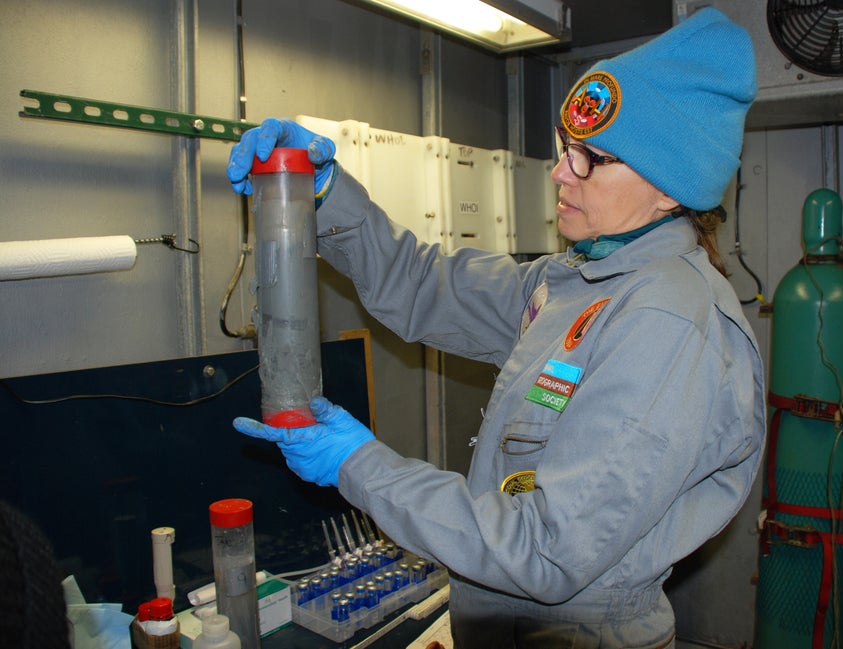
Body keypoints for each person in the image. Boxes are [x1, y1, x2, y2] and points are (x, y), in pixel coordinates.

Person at [227, 7, 764, 648]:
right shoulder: (576, 283)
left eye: (592, 158)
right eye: (565, 148)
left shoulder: (666, 322)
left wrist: (361, 465)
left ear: (671, 189)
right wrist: (329, 195)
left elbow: (545, 548)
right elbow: (424, 287)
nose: (562, 173)